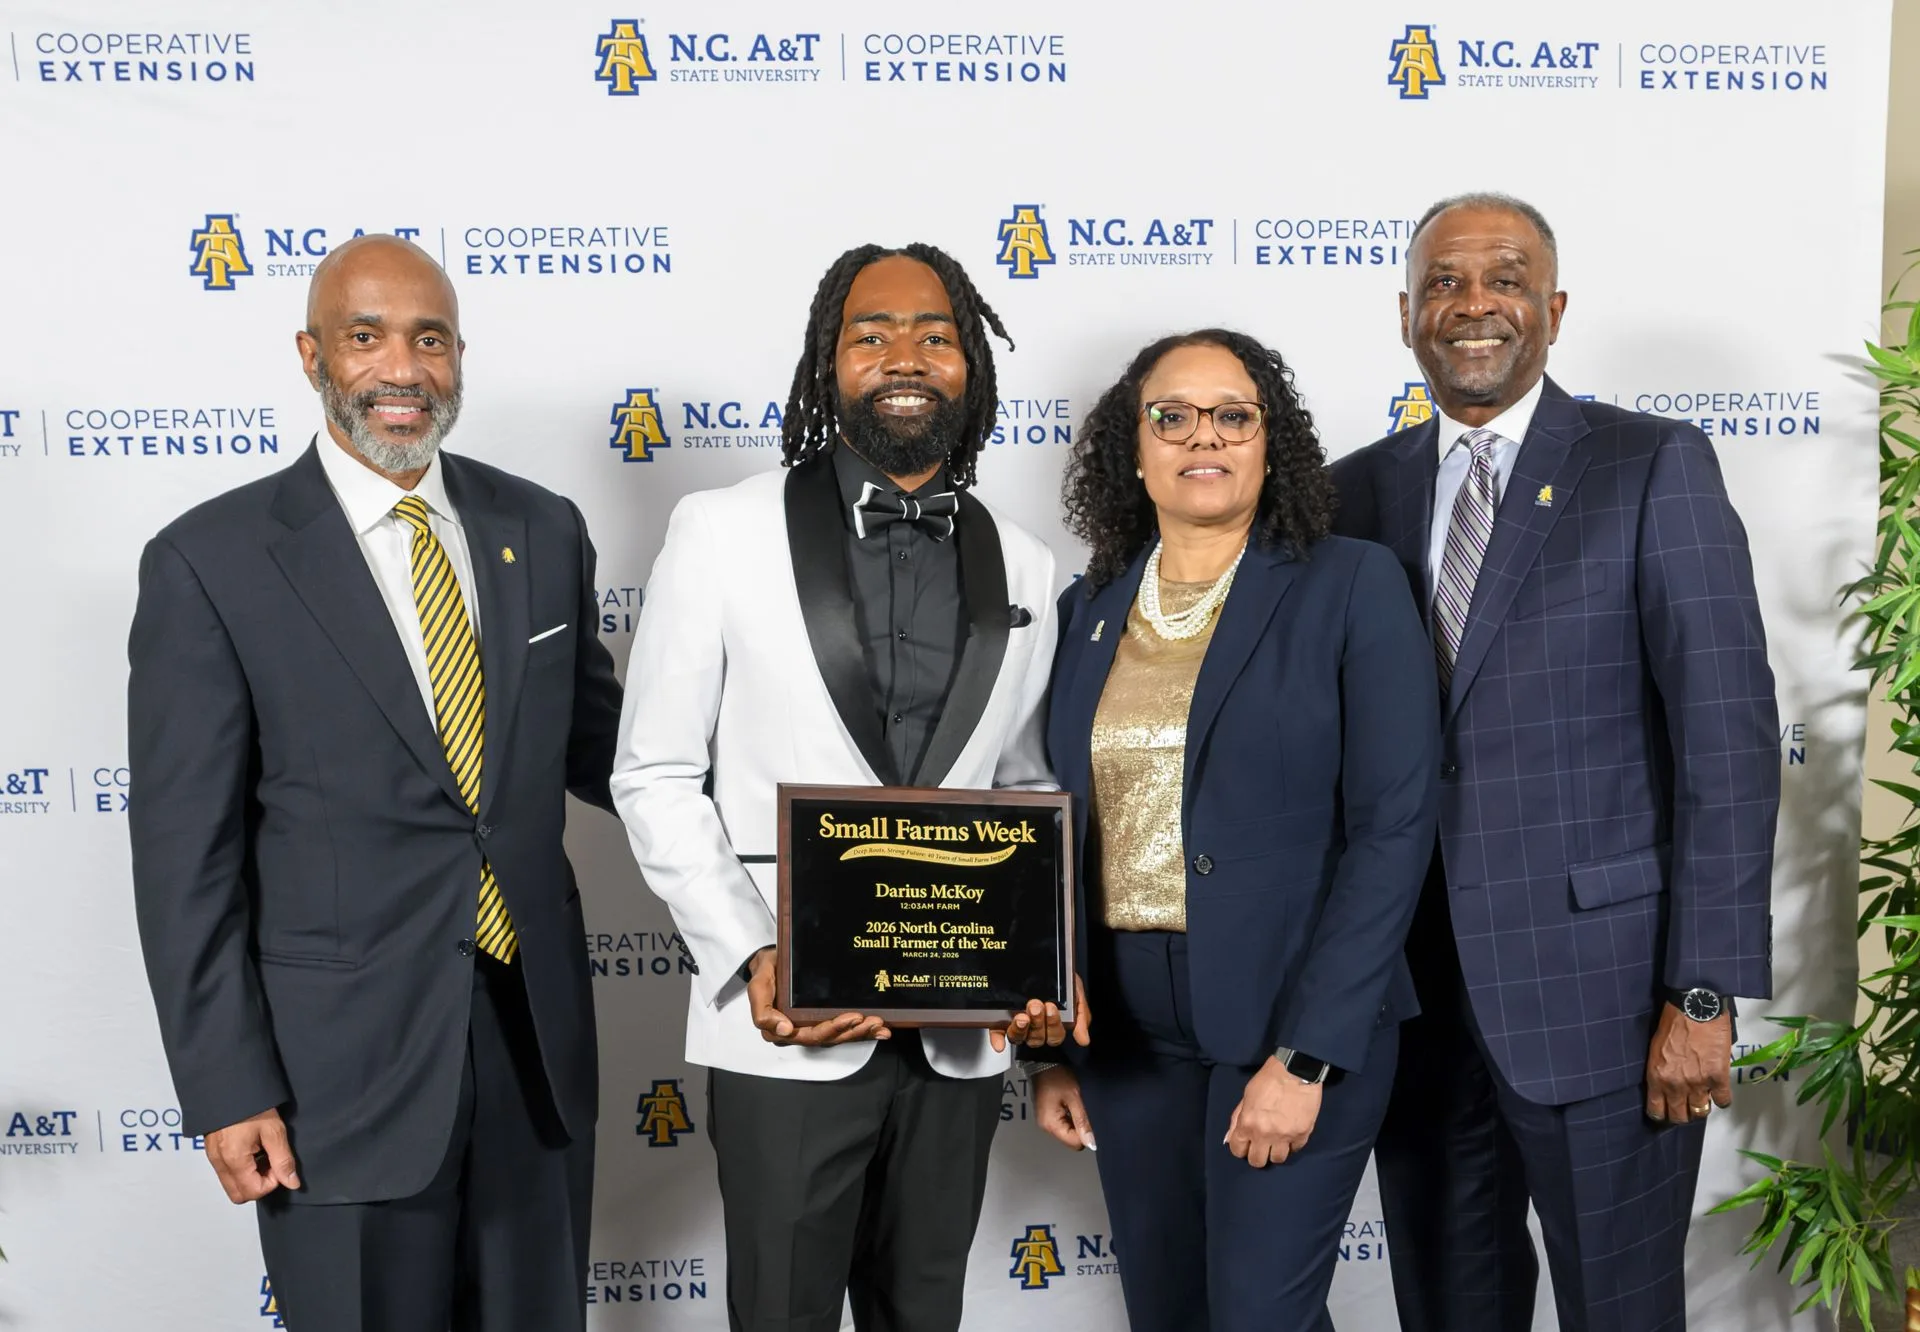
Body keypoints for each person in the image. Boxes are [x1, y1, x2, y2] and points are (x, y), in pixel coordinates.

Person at [126, 234, 624, 1331]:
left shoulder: (540, 527)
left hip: (532, 1055)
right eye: (366, 337)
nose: (403, 368)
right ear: (312, 354)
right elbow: (184, 861)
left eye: (430, 338)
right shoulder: (210, 560)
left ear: (458, 358)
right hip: (333, 1075)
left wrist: (809, 814)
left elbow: (614, 754)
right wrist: (226, 1085)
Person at [610, 241, 1087, 1332]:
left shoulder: (1025, 565)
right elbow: (655, 773)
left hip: (962, 1031)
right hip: (788, 1022)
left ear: (971, 364)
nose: (903, 355)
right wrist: (751, 953)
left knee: (924, 1314)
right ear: (829, 364)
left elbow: (1022, 787)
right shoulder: (719, 531)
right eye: (871, 333)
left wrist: (1039, 967)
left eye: (935, 333)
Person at [1330, 193, 1779, 1332]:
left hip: (1608, 1006)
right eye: (1443, 282)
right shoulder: (1351, 494)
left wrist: (1704, 991)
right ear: (1405, 315)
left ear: (1554, 308)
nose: (1472, 304)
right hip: (1414, 1009)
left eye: (1505, 278)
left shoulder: (1650, 465)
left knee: (1620, 1315)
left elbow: (1725, 740)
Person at [1031, 328, 1439, 1331]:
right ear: (1133, 447)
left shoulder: (1352, 584)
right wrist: (1048, 1044)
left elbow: (1394, 828)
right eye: (1170, 415)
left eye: (1231, 414)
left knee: (1262, 1314)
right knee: (1170, 1313)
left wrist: (1307, 1057)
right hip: (1127, 1038)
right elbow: (1052, 826)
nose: (1199, 435)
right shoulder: (1086, 605)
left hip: (1290, 1021)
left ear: (1270, 442)